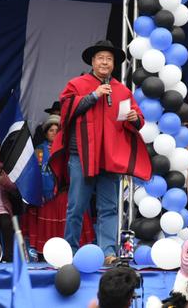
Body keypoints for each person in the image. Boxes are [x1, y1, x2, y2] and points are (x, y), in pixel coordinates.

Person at [49, 40, 151, 265]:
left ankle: (108, 252)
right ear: (93, 62)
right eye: (100, 58)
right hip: (82, 157)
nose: (105, 62)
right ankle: (71, 252)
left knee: (109, 207)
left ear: (114, 64)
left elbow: (137, 118)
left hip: (109, 158)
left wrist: (136, 119)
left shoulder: (122, 90)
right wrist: (94, 95)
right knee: (76, 205)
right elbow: (66, 111)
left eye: (109, 59)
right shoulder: (77, 84)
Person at [21, 114, 94, 259]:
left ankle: (70, 250)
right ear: (46, 133)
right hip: (46, 196)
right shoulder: (39, 151)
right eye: (51, 130)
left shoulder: (67, 149)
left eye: (57, 130)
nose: (54, 133)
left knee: (71, 217)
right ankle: (49, 254)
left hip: (65, 192)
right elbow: (35, 173)